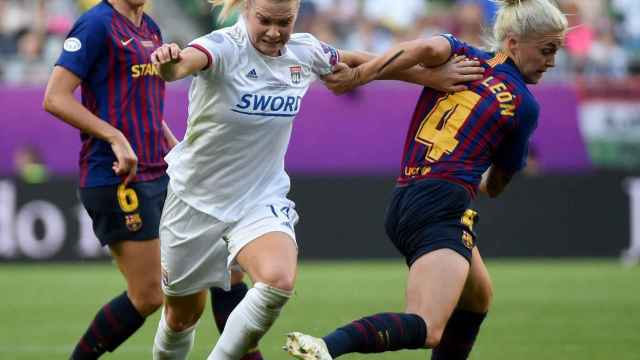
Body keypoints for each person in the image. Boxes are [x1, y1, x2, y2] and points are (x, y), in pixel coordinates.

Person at [148, 0, 485, 359]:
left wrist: (429, 77)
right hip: (195, 199)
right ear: (246, 9)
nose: (275, 32)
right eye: (265, 21)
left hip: (259, 198)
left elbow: (362, 62)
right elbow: (179, 66)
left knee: (278, 280)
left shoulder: (304, 50)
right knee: (182, 317)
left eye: (285, 22)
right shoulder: (222, 47)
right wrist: (169, 61)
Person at [284, 0, 568, 359]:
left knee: (477, 298)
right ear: (512, 42)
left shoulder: (462, 55)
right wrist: (469, 183)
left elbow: (422, 48)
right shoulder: (524, 104)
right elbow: (496, 185)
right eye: (546, 50)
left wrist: (361, 74)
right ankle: (327, 347)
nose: (552, 61)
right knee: (428, 327)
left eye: (556, 51)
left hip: (405, 197)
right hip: (441, 204)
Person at [42, 1, 261, 359]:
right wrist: (114, 137)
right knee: (148, 296)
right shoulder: (96, 25)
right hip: (116, 175)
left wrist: (174, 147)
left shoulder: (150, 29)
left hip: (161, 171)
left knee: (221, 273)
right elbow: (54, 97)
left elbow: (142, 105)